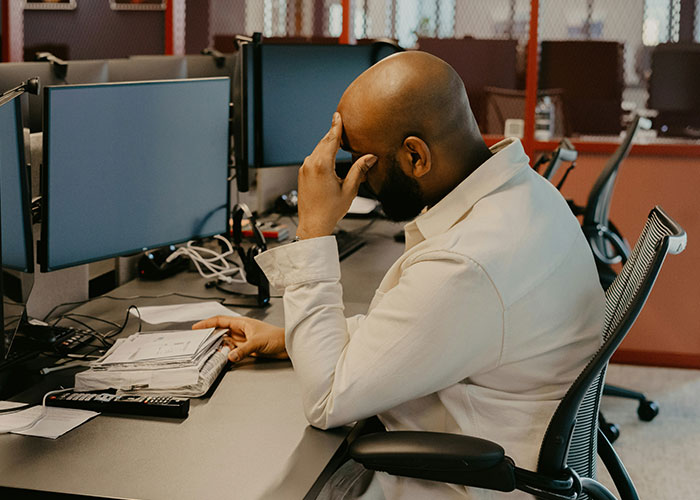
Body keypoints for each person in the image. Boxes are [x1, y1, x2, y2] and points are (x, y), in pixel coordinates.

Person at [194, 51, 604, 499]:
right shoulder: (525, 193)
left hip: (465, 482)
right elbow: (427, 326)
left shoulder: (466, 263)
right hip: (494, 446)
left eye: (363, 161)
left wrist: (313, 231)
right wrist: (291, 337)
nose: (353, 178)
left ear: (415, 156)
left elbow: (327, 400)